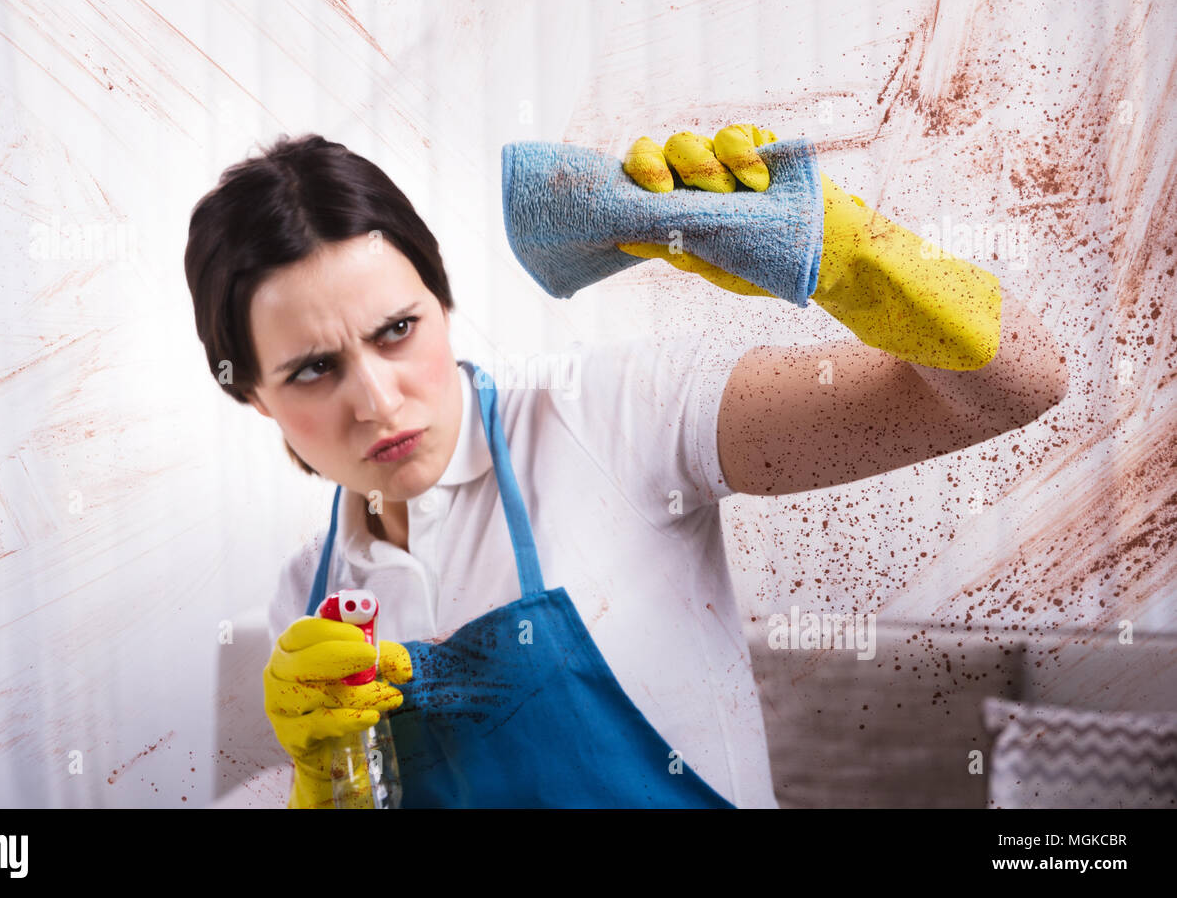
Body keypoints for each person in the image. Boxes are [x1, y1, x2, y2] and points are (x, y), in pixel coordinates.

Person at [183, 131, 1068, 808]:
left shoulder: (612, 416)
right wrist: (320, 784)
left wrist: (844, 257)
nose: (374, 400)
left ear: (444, 304)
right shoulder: (309, 598)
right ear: (253, 396)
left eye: (397, 331)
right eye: (311, 370)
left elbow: (1014, 389)